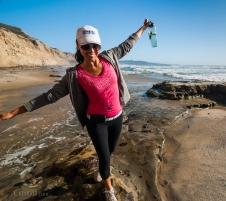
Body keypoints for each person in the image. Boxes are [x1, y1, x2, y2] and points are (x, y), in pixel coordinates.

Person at [0, 18, 150, 201]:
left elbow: (129, 43)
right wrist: (13, 113)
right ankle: (108, 189)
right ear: (78, 46)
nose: (91, 50)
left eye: (95, 45)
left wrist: (143, 28)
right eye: (86, 46)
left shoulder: (110, 57)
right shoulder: (74, 75)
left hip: (117, 116)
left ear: (100, 45)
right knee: (104, 157)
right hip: (96, 123)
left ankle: (102, 169)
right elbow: (48, 96)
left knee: (108, 153)